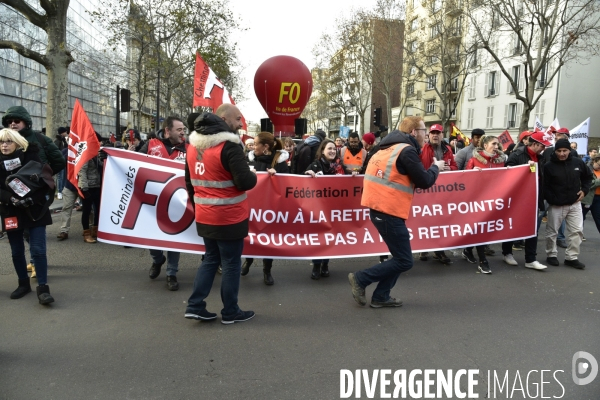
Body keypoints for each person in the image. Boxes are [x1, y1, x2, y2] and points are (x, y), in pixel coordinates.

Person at [348, 117, 445, 308]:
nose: (426, 135)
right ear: (413, 132)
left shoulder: (385, 148)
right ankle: (361, 279)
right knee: (405, 260)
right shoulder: (406, 150)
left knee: (399, 257)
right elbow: (424, 181)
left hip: (380, 209)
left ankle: (381, 296)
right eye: (424, 130)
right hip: (388, 211)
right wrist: (436, 167)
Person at [184, 104, 257, 324]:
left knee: (210, 260)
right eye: (237, 120)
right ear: (224, 119)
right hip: (229, 217)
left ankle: (195, 305)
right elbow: (244, 182)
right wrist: (252, 173)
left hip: (205, 215)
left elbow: (189, 183)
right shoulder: (230, 147)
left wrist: (199, 208)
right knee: (231, 264)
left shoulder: (192, 147)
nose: (240, 125)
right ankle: (230, 311)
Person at [0, 128, 54, 304]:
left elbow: (46, 183)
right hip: (11, 211)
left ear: (17, 142)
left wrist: (31, 199)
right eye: (1, 142)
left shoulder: (31, 157)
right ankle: (23, 284)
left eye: (8, 141)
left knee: (38, 250)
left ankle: (43, 289)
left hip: (35, 211)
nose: (4, 145)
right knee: (16, 251)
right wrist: (11, 199)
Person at [139, 116, 188, 290]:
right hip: (152, 201)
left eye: (184, 129)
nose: (183, 132)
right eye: (179, 129)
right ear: (167, 131)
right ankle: (158, 259)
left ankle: (171, 273)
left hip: (177, 202)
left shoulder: (189, 149)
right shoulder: (151, 145)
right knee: (151, 237)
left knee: (174, 238)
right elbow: (134, 164)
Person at [241, 132, 289, 285]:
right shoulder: (249, 158)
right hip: (252, 206)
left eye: (256, 144)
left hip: (271, 208)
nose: (253, 147)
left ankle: (267, 270)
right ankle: (248, 261)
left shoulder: (280, 161)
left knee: (269, 238)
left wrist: (278, 175)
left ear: (265, 146)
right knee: (251, 234)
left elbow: (289, 180)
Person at [501, 132, 552, 270]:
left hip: (534, 199)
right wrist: (523, 168)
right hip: (518, 200)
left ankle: (531, 259)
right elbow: (507, 173)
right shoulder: (516, 155)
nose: (544, 149)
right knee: (513, 226)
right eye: (542, 146)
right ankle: (507, 253)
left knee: (532, 229)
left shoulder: (540, 158)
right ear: (534, 144)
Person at [304, 138, 351, 279]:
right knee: (320, 238)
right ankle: (316, 265)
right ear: (322, 151)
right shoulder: (315, 165)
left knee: (330, 238)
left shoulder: (340, 166)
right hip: (319, 209)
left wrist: (354, 176)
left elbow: (349, 184)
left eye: (333, 149)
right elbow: (301, 183)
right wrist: (307, 175)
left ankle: (325, 264)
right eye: (329, 148)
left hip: (335, 209)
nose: (332, 151)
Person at [544, 139, 592, 269]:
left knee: (577, 231)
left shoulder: (578, 162)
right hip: (556, 205)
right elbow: (545, 186)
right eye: (559, 151)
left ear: (569, 150)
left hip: (575, 203)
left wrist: (585, 190)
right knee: (552, 232)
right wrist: (552, 199)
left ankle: (571, 257)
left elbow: (588, 177)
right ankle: (551, 255)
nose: (562, 153)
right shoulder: (548, 166)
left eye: (565, 150)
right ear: (555, 151)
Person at [463, 135, 507, 274]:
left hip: (493, 200)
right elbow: (464, 179)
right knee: (480, 229)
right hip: (477, 201)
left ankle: (468, 249)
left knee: (486, 229)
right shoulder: (474, 160)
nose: (496, 146)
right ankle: (483, 261)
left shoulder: (500, 161)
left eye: (498, 144)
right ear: (486, 145)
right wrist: (472, 172)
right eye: (494, 143)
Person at [418, 124, 457, 265]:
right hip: (426, 189)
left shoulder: (448, 150)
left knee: (440, 221)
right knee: (426, 220)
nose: (435, 135)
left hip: (443, 192)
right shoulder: (423, 149)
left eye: (438, 133)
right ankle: (424, 248)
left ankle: (439, 251)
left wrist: (449, 169)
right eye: (433, 133)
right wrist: (433, 169)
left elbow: (455, 166)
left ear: (442, 135)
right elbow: (419, 167)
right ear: (428, 135)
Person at [77, 135, 102, 244]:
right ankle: (86, 233)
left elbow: (101, 166)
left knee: (98, 209)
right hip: (87, 187)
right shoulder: (86, 154)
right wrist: (84, 187)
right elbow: (82, 171)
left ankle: (95, 231)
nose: (100, 144)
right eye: (98, 142)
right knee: (86, 210)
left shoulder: (95, 154)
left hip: (97, 185)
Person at [581, 155, 600, 235]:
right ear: (594, 161)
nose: (599, 167)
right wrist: (598, 182)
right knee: (581, 217)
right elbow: (587, 184)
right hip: (587, 198)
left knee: (598, 218)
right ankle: (579, 235)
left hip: (598, 198)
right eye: (599, 164)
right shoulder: (587, 169)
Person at [53, 127, 68, 199]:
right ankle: (59, 192)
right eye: (65, 132)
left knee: (64, 176)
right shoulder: (57, 141)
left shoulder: (64, 140)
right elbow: (55, 151)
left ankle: (63, 190)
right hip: (59, 161)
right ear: (62, 133)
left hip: (64, 161)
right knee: (60, 177)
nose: (66, 133)